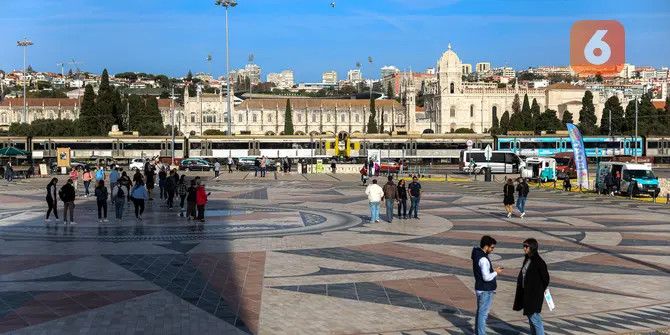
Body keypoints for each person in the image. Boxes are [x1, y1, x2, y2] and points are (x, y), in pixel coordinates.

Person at [513, 238, 550, 335]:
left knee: (535, 319)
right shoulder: (527, 259)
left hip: (534, 295)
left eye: (526, 246)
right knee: (531, 318)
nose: (524, 248)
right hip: (527, 294)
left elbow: (546, 279)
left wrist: (538, 289)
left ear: (532, 247)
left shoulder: (539, 262)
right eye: (523, 246)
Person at [472, 235, 503, 335]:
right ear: (486, 246)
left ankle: (478, 333)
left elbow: (483, 273)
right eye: (492, 247)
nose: (492, 250)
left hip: (480, 288)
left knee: (480, 313)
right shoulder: (484, 259)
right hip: (485, 290)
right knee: (483, 315)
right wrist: (496, 272)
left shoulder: (477, 254)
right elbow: (486, 277)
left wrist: (492, 271)